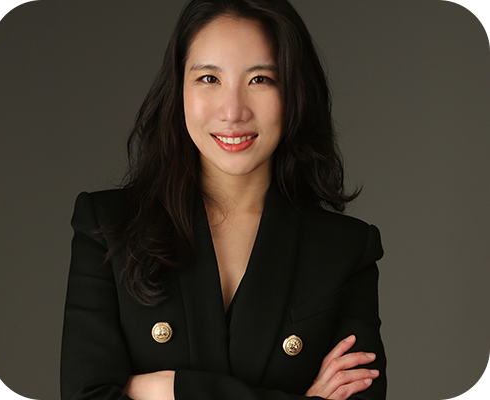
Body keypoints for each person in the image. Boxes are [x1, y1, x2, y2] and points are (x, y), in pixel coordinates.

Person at [60, 0, 387, 399]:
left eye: (260, 79)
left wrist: (170, 389)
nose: (233, 112)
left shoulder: (345, 249)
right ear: (178, 88)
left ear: (295, 91)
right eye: (209, 78)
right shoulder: (108, 227)